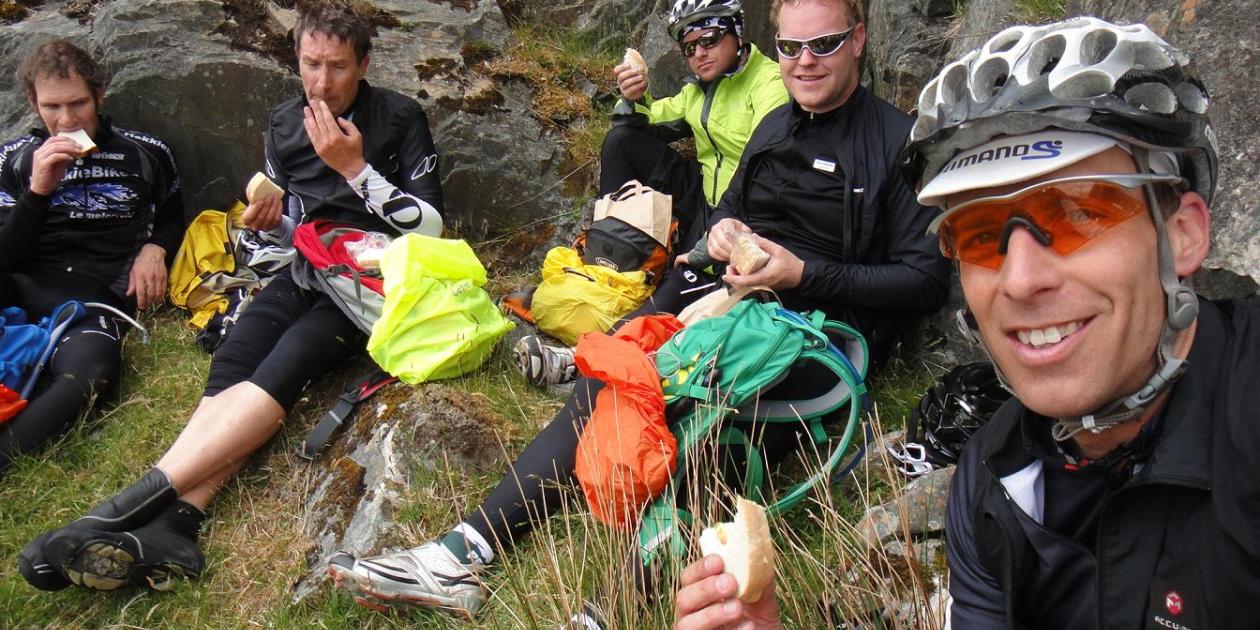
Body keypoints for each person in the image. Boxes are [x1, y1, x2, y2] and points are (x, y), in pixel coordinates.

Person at [329, 0, 947, 619]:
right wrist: (724, 235)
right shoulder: (775, 128)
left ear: (860, 39)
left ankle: (598, 609)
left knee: (702, 431)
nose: (805, 62)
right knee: (617, 376)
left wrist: (806, 273)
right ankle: (466, 554)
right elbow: (729, 209)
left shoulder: (896, 142)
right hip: (739, 303)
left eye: (825, 44)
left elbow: (923, 282)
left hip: (820, 339)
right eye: (790, 48)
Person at [677, 15, 1258, 630]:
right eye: (980, 234)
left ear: (1182, 233)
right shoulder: (994, 477)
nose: (1021, 278)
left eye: (1079, 214)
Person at [16, 6, 443, 593]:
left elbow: (435, 230)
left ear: (364, 66)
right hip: (304, 270)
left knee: (283, 367)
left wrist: (356, 169)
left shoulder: (397, 117)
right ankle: (176, 524)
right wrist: (266, 222)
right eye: (310, 65)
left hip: (371, 287)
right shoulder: (285, 122)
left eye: (338, 68)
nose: (321, 83)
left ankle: (118, 510)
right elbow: (287, 222)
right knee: (232, 364)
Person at [513, 0, 788, 388]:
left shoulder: (769, 86)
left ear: (737, 34)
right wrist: (634, 94)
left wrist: (717, 241)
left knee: (685, 283)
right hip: (703, 202)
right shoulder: (699, 93)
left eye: (708, 39)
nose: (699, 53)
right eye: (688, 47)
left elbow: (768, 168)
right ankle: (610, 262)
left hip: (743, 219)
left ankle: (589, 355)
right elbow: (647, 119)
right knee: (622, 141)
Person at [0, 40, 182, 474]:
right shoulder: (14, 160)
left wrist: (156, 247)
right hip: (22, 284)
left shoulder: (147, 152)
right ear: (32, 102)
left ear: (100, 94)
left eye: (78, 103)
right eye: (52, 107)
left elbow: (175, 217)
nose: (66, 120)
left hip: (92, 297)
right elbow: (5, 257)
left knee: (95, 372)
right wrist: (39, 191)